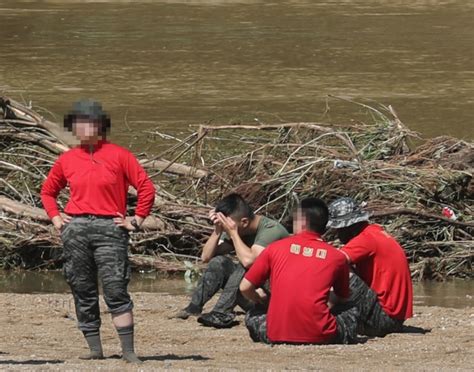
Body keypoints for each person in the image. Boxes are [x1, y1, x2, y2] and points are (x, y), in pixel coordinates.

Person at [40, 100, 155, 363]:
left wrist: (135, 220)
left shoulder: (120, 155)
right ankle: (95, 350)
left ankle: (128, 352)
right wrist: (56, 218)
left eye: (89, 122)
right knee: (82, 288)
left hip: (110, 229)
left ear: (101, 125)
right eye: (78, 123)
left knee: (115, 288)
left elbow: (146, 188)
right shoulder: (67, 159)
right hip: (76, 229)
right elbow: (48, 192)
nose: (83, 128)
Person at [240, 198, 359, 345]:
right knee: (350, 308)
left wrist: (262, 301)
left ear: (302, 221)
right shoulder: (337, 257)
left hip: (275, 334)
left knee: (252, 314)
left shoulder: (275, 248)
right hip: (320, 335)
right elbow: (342, 297)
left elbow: (245, 287)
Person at [175, 193, 289, 328]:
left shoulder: (271, 230)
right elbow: (205, 257)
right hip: (252, 294)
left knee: (244, 266)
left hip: (273, 297)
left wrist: (233, 233)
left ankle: (221, 313)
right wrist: (217, 230)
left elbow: (250, 262)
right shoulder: (238, 227)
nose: (227, 229)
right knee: (219, 262)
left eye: (227, 225)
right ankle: (194, 307)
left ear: (244, 222)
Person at [327, 197, 413, 337]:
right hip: (394, 318)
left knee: (341, 269)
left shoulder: (366, 239)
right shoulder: (374, 233)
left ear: (348, 227)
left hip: (386, 319)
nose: (338, 234)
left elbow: (330, 262)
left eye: (339, 230)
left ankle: (319, 311)